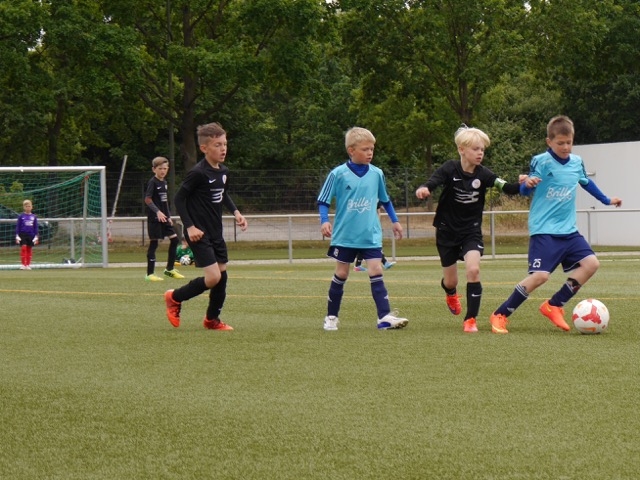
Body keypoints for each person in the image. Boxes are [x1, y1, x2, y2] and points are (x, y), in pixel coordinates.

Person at [489, 115, 622, 334]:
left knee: (591, 264)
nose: (565, 147)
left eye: (569, 142)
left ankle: (554, 305)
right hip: (544, 230)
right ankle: (500, 314)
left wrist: (607, 200)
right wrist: (527, 184)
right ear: (549, 142)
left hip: (568, 230)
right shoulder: (541, 161)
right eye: (560, 143)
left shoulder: (577, 162)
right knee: (540, 276)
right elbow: (525, 191)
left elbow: (586, 183)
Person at [415, 125, 525, 333]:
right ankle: (450, 293)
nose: (480, 153)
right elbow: (433, 181)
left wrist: (523, 184)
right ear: (462, 149)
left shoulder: (484, 174)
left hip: (470, 231)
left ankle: (470, 319)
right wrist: (424, 188)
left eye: (482, 149)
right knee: (451, 281)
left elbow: (507, 188)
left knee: (473, 270)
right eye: (475, 149)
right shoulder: (450, 168)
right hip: (446, 230)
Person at [317, 126, 408, 331]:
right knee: (342, 273)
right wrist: (324, 220)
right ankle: (331, 317)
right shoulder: (338, 174)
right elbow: (323, 200)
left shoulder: (377, 174)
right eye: (365, 149)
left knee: (376, 269)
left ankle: (384, 317)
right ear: (351, 150)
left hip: (370, 234)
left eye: (372, 149)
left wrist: (395, 221)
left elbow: (385, 200)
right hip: (345, 235)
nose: (370, 153)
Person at [164, 122, 248, 331]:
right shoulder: (198, 173)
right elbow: (179, 199)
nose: (223, 149)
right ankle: (174, 297)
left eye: (225, 144)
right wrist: (190, 227)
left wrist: (236, 212)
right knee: (213, 277)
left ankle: (212, 320)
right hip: (199, 233)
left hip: (216, 232)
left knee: (222, 275)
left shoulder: (224, 171)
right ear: (204, 148)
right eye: (218, 145)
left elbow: (223, 194)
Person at [144, 156, 185, 281]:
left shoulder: (164, 183)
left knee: (175, 240)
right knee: (154, 244)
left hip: (164, 218)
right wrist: (157, 212)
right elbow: (148, 199)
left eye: (165, 168)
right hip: (154, 219)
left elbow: (165, 202)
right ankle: (149, 274)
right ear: (154, 169)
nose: (163, 171)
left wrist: (168, 216)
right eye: (160, 168)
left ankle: (169, 269)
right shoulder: (152, 182)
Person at [15, 199, 38, 270]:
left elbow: (35, 227)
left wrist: (36, 236)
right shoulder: (21, 216)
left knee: (29, 249)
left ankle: (28, 264)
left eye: (29, 206)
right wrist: (17, 235)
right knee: (23, 248)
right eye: (26, 206)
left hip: (31, 234)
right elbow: (18, 226)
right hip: (22, 234)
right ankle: (23, 264)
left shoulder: (34, 217)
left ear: (32, 207)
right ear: (24, 207)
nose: (28, 208)